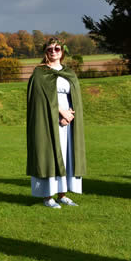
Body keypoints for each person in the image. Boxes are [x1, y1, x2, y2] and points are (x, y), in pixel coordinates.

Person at [26, 37, 86, 208]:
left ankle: (62, 194)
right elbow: (39, 99)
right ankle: (48, 197)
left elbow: (74, 96)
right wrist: (60, 113)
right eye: (50, 49)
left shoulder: (69, 72)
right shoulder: (40, 73)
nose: (53, 51)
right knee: (49, 155)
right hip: (47, 119)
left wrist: (70, 115)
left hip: (68, 121)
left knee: (66, 154)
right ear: (45, 52)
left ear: (62, 51)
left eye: (57, 48)